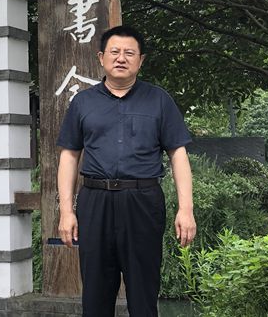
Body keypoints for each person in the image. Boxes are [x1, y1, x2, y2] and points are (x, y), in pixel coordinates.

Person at [56, 25, 196, 317]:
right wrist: (66, 212)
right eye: (115, 52)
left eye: (129, 53)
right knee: (95, 293)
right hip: (95, 202)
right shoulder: (83, 103)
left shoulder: (159, 101)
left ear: (140, 60)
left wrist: (186, 209)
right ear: (101, 57)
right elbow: (69, 156)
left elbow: (178, 155)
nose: (121, 58)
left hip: (143, 201)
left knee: (144, 292)